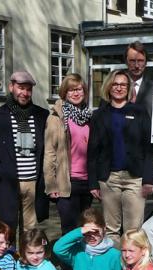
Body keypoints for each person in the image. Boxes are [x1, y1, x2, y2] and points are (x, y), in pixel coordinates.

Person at [87, 69, 153, 245]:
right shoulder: (98, 115)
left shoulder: (140, 112)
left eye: (123, 84)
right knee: (111, 229)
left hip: (135, 178)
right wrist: (93, 182)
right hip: (109, 178)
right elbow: (92, 150)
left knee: (134, 231)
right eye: (115, 84)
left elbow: (148, 148)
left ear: (129, 88)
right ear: (108, 87)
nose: (119, 88)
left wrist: (149, 179)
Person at [0, 70, 49, 241]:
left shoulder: (41, 115)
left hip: (33, 182)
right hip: (7, 181)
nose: (24, 93)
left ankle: (26, 263)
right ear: (11, 87)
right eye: (20, 88)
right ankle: (9, 262)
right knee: (7, 227)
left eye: (28, 89)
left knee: (30, 228)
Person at [44, 73, 93, 235]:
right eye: (71, 90)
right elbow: (50, 152)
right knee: (70, 230)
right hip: (67, 182)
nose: (76, 93)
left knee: (85, 228)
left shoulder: (89, 116)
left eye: (79, 89)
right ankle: (67, 261)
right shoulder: (57, 117)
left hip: (87, 182)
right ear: (64, 93)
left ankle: (81, 260)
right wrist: (51, 185)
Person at [124, 41, 153, 118]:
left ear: (146, 63)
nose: (137, 65)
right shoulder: (114, 86)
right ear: (126, 62)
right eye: (132, 61)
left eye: (140, 61)